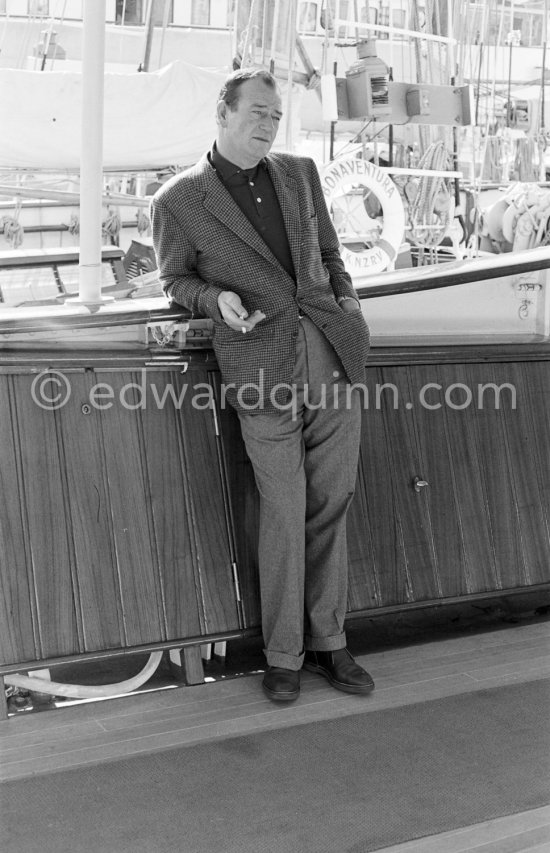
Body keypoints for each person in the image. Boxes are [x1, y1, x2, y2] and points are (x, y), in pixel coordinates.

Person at [151, 68, 374, 702]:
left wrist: (349, 303)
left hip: (333, 356)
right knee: (282, 511)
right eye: (257, 112)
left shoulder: (301, 174)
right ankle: (283, 655)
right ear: (223, 113)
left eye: (275, 115)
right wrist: (214, 297)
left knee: (334, 503)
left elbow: (331, 255)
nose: (268, 124)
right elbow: (175, 282)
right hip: (259, 367)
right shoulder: (177, 200)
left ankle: (330, 643)